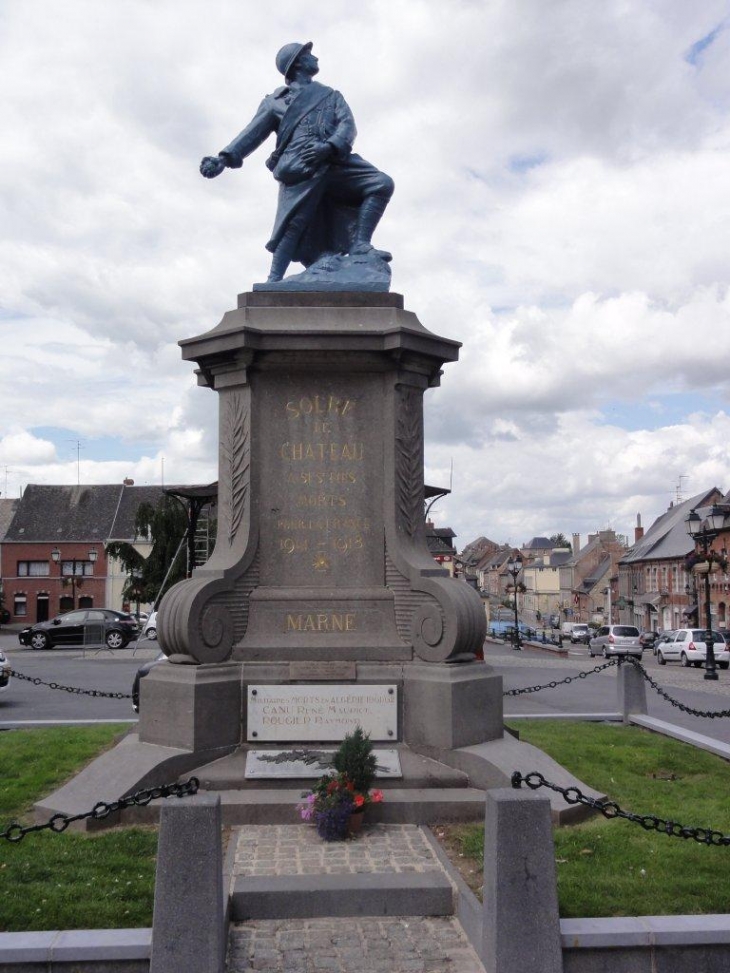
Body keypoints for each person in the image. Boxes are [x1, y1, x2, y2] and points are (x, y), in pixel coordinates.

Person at [200, 42, 394, 283]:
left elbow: (347, 125)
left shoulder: (331, 95)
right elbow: (252, 133)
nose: (315, 58)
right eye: (309, 54)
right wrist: (224, 158)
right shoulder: (275, 102)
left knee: (381, 184)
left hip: (333, 158)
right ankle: (273, 281)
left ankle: (360, 244)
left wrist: (330, 146)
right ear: (298, 62)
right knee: (293, 224)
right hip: (301, 164)